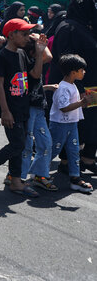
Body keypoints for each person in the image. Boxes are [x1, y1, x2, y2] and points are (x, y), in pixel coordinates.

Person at [0, 19, 47, 197]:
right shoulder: (2, 57)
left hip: (23, 106)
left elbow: (35, 76)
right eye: (23, 34)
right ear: (11, 35)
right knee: (18, 143)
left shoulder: (22, 54)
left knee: (20, 145)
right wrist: (5, 111)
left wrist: (39, 54)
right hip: (10, 108)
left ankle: (16, 182)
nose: (26, 37)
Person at [51, 0, 97, 175]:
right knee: (72, 123)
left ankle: (87, 158)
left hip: (91, 87)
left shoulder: (86, 27)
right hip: (76, 88)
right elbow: (66, 61)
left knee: (92, 123)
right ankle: (66, 162)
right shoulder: (68, 27)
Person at [49, 54, 92, 193]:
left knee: (74, 151)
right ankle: (39, 174)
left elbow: (73, 105)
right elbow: (64, 107)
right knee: (52, 150)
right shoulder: (63, 87)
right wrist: (80, 103)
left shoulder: (72, 85)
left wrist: (83, 103)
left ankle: (75, 178)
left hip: (72, 124)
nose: (84, 72)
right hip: (60, 124)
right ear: (73, 72)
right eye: (82, 70)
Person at [20, 33, 56, 191]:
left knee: (46, 143)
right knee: (26, 144)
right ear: (32, 52)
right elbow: (35, 74)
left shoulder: (38, 57)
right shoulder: (25, 61)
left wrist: (39, 43)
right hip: (27, 107)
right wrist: (39, 48)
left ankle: (40, 175)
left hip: (39, 106)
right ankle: (17, 177)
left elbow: (49, 55)